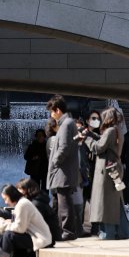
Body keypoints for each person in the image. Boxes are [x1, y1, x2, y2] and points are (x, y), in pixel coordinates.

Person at [80, 107, 129, 240]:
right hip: (114, 168)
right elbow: (104, 142)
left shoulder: (110, 131)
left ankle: (108, 233)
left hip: (106, 171)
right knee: (116, 202)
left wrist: (86, 138)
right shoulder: (117, 131)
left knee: (105, 202)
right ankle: (122, 232)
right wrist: (91, 135)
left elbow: (98, 148)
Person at [0, 184, 52, 257]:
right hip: (34, 235)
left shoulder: (22, 204)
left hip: (40, 238)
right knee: (8, 233)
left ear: (11, 196)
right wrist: (2, 222)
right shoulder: (21, 203)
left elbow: (20, 228)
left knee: (9, 235)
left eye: (6, 199)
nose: (5, 202)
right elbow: (18, 224)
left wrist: (2, 224)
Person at [45, 95, 80, 240]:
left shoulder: (66, 124)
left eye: (52, 112)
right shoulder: (68, 122)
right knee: (63, 202)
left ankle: (68, 232)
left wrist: (54, 162)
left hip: (63, 172)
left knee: (64, 203)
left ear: (57, 110)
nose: (51, 115)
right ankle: (64, 231)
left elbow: (64, 147)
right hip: (65, 171)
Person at [17, 178, 62, 245]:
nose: (18, 191)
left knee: (11, 236)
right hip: (46, 236)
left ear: (28, 189)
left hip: (46, 238)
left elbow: (34, 223)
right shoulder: (36, 200)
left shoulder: (36, 204)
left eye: (20, 189)